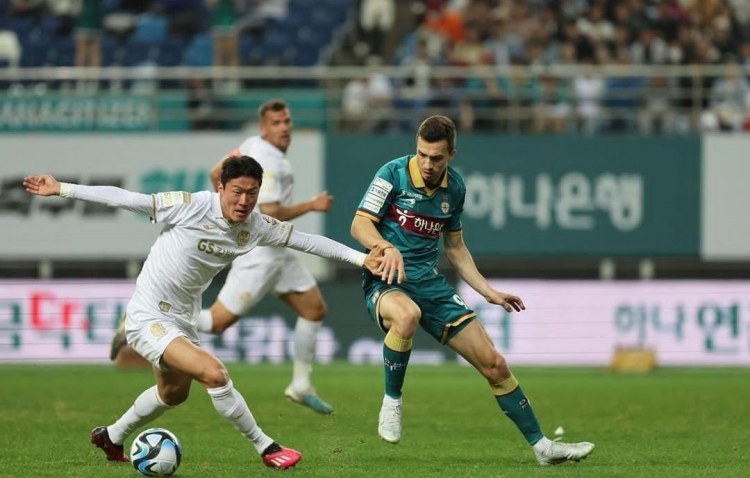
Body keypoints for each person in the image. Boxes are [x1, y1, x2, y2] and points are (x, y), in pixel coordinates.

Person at [23, 156, 383, 470]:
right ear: (221, 187)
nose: (244, 201)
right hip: (148, 315)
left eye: (252, 193)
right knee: (214, 373)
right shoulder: (190, 205)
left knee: (173, 394)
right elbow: (126, 198)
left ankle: (112, 436)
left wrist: (361, 258)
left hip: (183, 317)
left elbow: (306, 240)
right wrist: (63, 189)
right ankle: (267, 447)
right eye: (237, 191)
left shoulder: (255, 226)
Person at [349, 115, 595, 466]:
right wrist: (385, 247)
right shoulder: (392, 174)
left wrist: (487, 290)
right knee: (406, 316)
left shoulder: (455, 189)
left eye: (436, 158)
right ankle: (392, 402)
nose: (427, 164)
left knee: (494, 363)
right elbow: (360, 224)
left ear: (451, 154)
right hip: (387, 278)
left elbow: (455, 248)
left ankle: (543, 447)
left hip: (430, 284)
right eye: (422, 155)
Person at [112, 99, 338, 416]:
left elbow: (214, 172)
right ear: (264, 128)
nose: (285, 128)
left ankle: (301, 385)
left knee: (314, 309)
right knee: (217, 323)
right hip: (260, 255)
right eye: (277, 123)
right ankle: (141, 322)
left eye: (287, 121)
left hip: (280, 256)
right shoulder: (268, 161)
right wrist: (311, 205)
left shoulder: (250, 146)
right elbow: (270, 211)